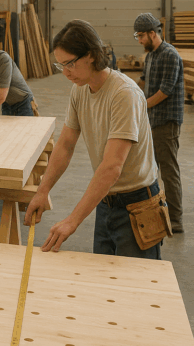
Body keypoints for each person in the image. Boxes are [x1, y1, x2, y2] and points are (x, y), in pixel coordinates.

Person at [25, 19, 161, 259]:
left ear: (90, 55)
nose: (65, 73)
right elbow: (66, 145)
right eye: (60, 66)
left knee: (136, 286)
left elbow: (111, 167)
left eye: (69, 64)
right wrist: (42, 190)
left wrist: (72, 220)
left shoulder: (123, 94)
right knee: (104, 276)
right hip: (106, 200)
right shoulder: (80, 89)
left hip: (138, 205)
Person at [134, 13, 184, 233]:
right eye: (137, 35)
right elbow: (143, 80)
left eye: (141, 35)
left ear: (153, 33)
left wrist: (142, 105)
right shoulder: (151, 55)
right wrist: (129, 93)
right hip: (152, 121)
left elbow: (165, 90)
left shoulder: (170, 55)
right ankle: (157, 210)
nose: (139, 40)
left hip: (166, 121)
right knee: (150, 168)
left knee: (169, 170)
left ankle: (176, 219)